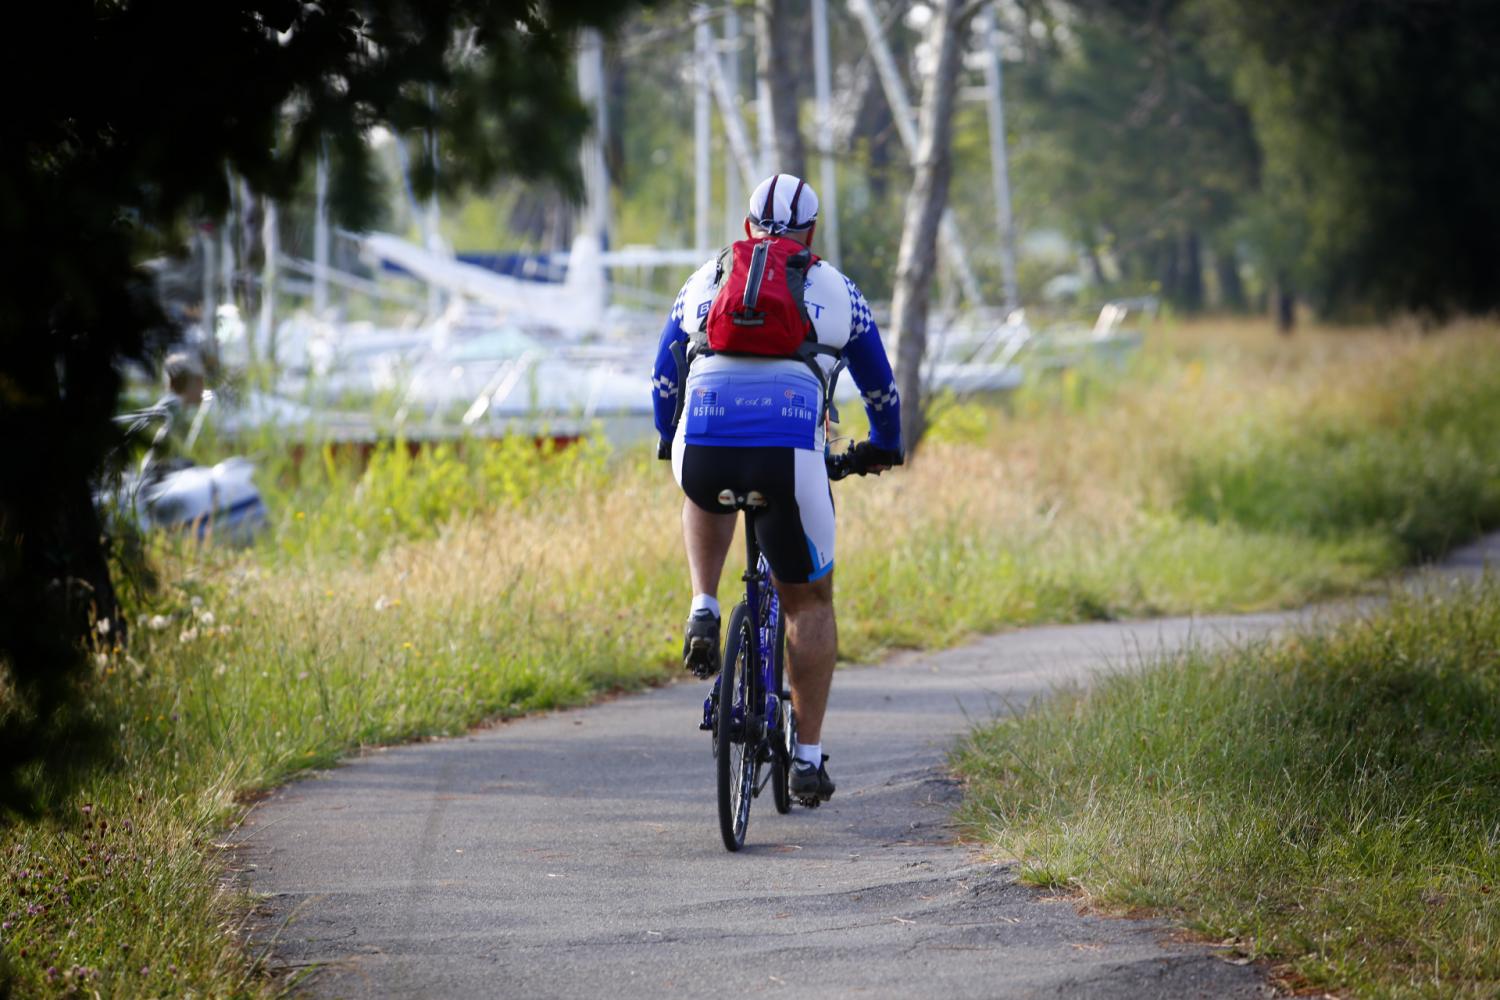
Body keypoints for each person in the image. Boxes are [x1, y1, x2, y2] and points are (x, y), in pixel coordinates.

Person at [651, 173, 904, 803]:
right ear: (811, 234)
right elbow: (882, 391)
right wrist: (883, 446)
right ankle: (809, 760)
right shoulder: (839, 289)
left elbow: (663, 376)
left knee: (701, 483)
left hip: (704, 444)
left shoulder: (705, 277)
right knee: (810, 603)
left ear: (747, 228)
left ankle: (704, 605)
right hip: (789, 450)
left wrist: (668, 440)